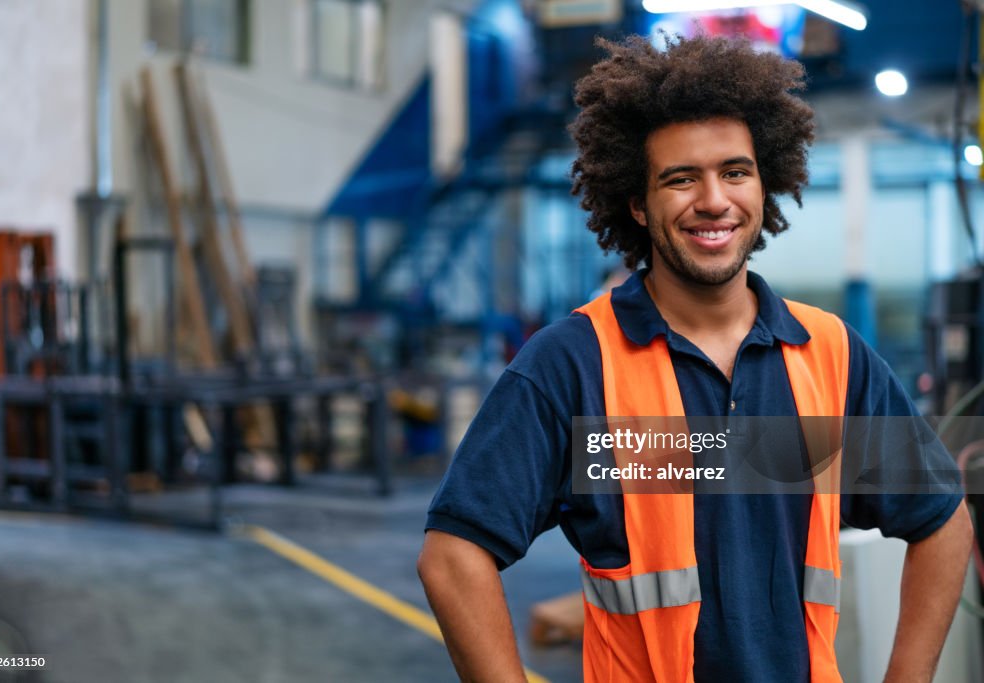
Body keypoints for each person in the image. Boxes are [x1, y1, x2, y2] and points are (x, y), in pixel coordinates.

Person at [417, 34, 974, 682]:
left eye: (735, 172)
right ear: (637, 204)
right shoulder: (574, 364)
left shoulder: (831, 355)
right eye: (681, 178)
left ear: (764, 184)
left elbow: (943, 520)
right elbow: (453, 556)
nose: (714, 200)